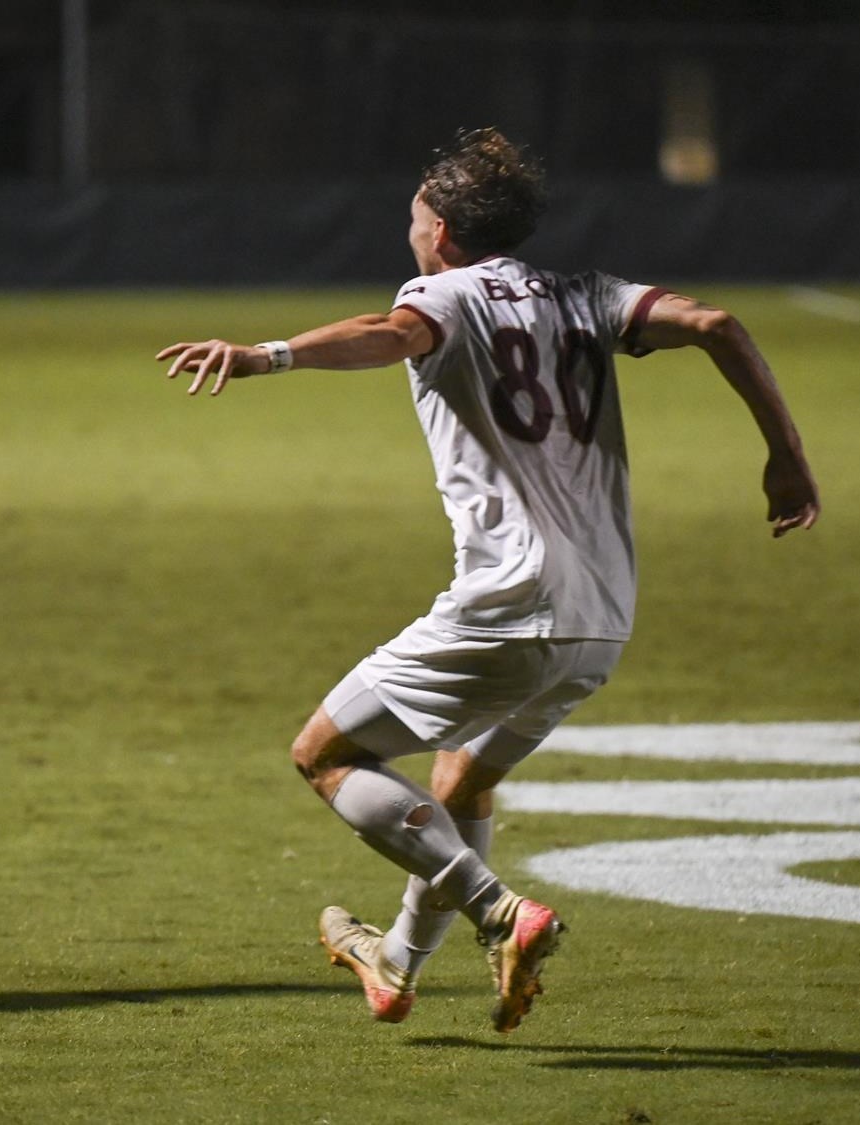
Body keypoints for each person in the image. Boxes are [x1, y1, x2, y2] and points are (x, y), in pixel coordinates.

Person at [154, 127, 818, 1033]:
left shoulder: (441, 293)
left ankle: (501, 909)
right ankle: (395, 962)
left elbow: (387, 335)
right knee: (460, 780)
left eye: (416, 217)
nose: (412, 229)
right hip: (603, 616)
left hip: (511, 601)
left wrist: (269, 354)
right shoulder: (588, 294)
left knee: (325, 754)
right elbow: (714, 324)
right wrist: (785, 456)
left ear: (446, 234)